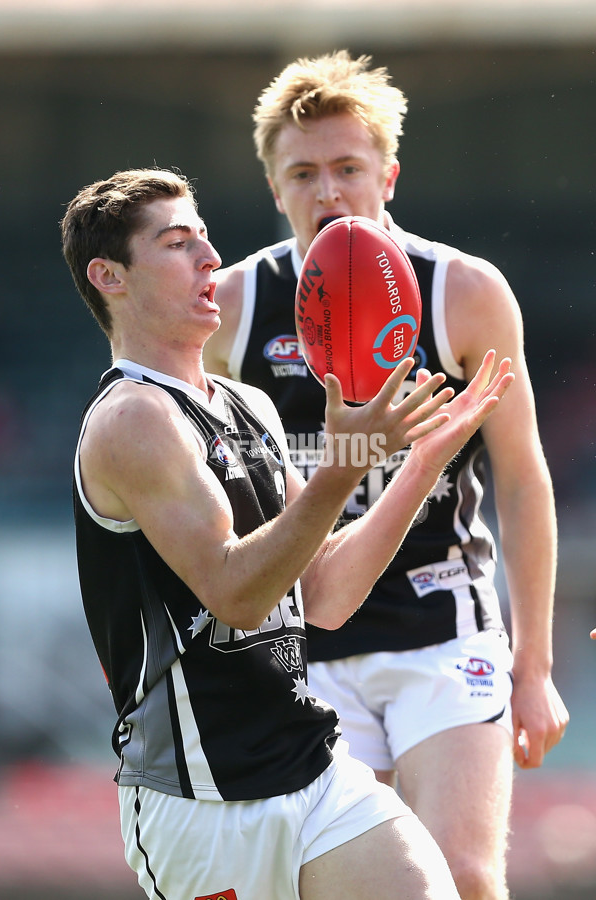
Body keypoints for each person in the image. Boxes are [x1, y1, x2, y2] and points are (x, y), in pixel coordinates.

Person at [60, 166, 515, 900]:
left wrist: (422, 463)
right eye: (178, 244)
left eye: (205, 239)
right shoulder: (130, 420)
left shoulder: (249, 406)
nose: (210, 259)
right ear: (109, 276)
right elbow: (237, 592)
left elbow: (327, 592)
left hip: (309, 761)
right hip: (202, 798)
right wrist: (341, 470)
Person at [203, 51, 569, 900]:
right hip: (304, 651)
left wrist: (536, 665)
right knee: (343, 887)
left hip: (442, 625)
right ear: (273, 187)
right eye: (303, 173)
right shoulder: (230, 311)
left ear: (388, 175)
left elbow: (522, 479)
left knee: (467, 877)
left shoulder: (464, 294)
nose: (328, 191)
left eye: (347, 169)